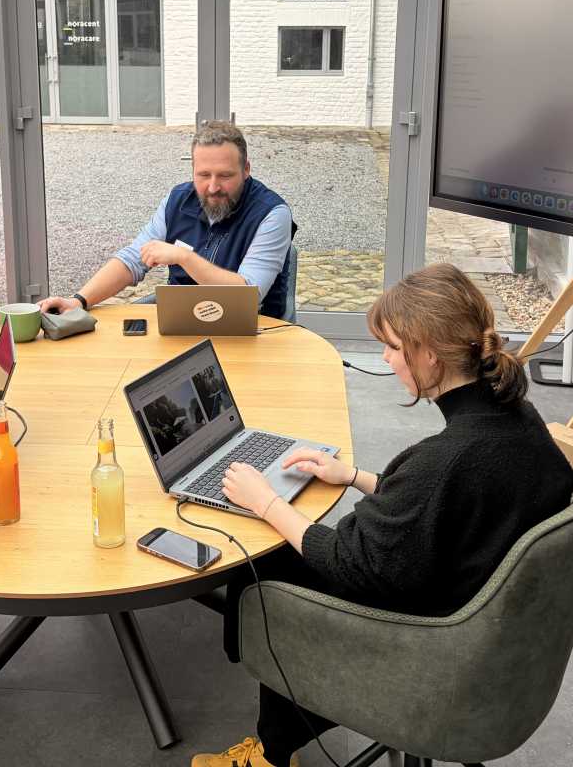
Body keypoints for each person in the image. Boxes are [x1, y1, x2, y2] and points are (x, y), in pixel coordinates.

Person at [191, 263, 573, 767]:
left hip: (429, 645)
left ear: (429, 354)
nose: (387, 359)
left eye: (393, 347)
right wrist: (353, 476)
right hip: (487, 623)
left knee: (269, 568)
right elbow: (451, 504)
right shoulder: (515, 415)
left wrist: (265, 502)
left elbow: (349, 560)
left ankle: (272, 752)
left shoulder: (446, 460)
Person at [38, 121, 296, 319]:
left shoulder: (272, 213)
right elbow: (133, 260)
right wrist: (79, 301)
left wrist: (184, 257)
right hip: (182, 324)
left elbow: (247, 296)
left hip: (253, 331)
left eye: (225, 176)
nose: (213, 187)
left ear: (246, 169)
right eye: (203, 175)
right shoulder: (178, 200)